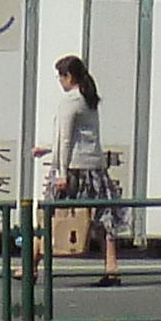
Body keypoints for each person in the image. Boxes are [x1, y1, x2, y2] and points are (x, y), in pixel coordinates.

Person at [47, 54, 123, 285]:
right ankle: (112, 267)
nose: (60, 82)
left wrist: (61, 173)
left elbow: (66, 140)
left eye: (61, 76)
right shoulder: (89, 99)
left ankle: (31, 265)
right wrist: (46, 148)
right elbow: (84, 136)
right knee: (105, 217)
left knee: (48, 214)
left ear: (69, 77)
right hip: (95, 166)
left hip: (72, 168)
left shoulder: (69, 101)